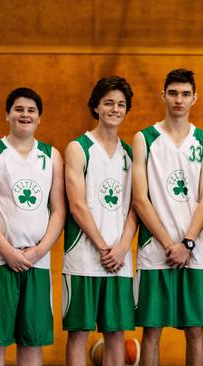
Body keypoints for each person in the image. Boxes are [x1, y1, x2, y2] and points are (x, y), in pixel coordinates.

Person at [0, 87, 66, 365]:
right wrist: (7, 251)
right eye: (18, 109)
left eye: (31, 110)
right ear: (7, 114)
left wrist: (39, 251)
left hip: (37, 262)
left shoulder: (52, 156)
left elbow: (59, 210)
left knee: (32, 343)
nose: (25, 114)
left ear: (40, 118)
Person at [132, 68, 203, 366]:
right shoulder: (144, 138)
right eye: (173, 93)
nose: (179, 99)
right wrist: (171, 244)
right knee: (152, 330)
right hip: (155, 250)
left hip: (196, 251)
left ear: (195, 98)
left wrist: (187, 243)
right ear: (163, 95)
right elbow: (140, 199)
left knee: (195, 330)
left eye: (185, 94)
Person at [62, 76, 138, 366]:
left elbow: (135, 206)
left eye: (121, 104)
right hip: (83, 255)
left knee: (116, 332)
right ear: (96, 106)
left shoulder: (130, 154)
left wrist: (121, 247)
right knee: (79, 332)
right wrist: (104, 246)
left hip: (119, 258)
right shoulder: (78, 147)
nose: (115, 109)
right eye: (108, 103)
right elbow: (77, 204)